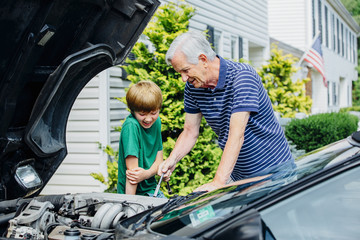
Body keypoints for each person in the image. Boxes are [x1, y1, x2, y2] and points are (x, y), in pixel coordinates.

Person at [159, 31, 295, 192]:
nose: (183, 78)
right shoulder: (193, 87)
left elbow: (236, 135)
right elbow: (190, 131)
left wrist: (218, 182)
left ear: (203, 60)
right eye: (179, 73)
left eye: (186, 70)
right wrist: (172, 159)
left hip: (275, 172)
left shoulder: (242, 77)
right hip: (241, 177)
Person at [117, 80, 165, 197]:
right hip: (133, 195)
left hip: (152, 190)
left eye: (153, 113)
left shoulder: (156, 122)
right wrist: (130, 207)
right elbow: (133, 175)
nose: (148, 119)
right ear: (133, 110)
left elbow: (159, 161)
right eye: (142, 114)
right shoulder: (131, 127)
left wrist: (147, 174)